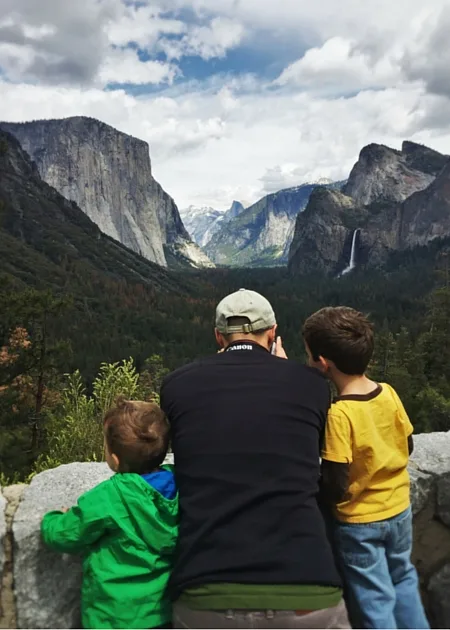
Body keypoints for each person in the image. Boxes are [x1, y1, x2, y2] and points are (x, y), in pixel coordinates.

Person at [160, 288, 350, 629]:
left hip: (206, 592)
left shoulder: (175, 386)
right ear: (273, 333)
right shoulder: (313, 386)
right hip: (309, 590)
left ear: (219, 337)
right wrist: (287, 371)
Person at [302, 306, 429, 629]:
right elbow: (407, 443)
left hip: (359, 523)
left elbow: (336, 480)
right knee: (403, 579)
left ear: (323, 363)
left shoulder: (340, 415)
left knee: (374, 596)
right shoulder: (388, 393)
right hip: (399, 509)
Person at [41, 398, 178, 630]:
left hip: (113, 617)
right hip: (161, 614)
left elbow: (66, 535)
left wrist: (51, 519)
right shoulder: (179, 486)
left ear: (114, 459)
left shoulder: (110, 495)